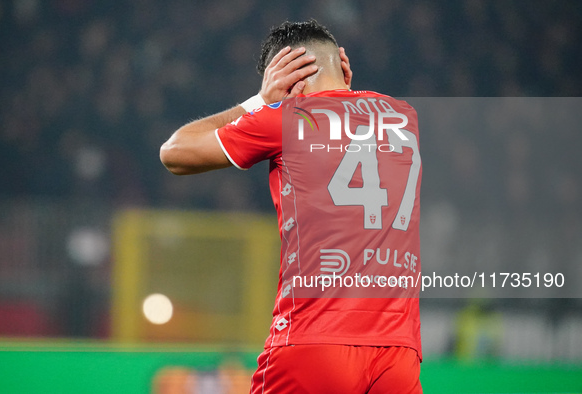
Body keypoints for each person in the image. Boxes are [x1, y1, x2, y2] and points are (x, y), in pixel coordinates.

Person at [161, 20, 422, 394]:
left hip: (313, 340)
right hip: (398, 352)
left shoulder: (286, 118)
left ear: (286, 75)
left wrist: (260, 101)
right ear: (339, 64)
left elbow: (174, 153)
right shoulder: (403, 119)